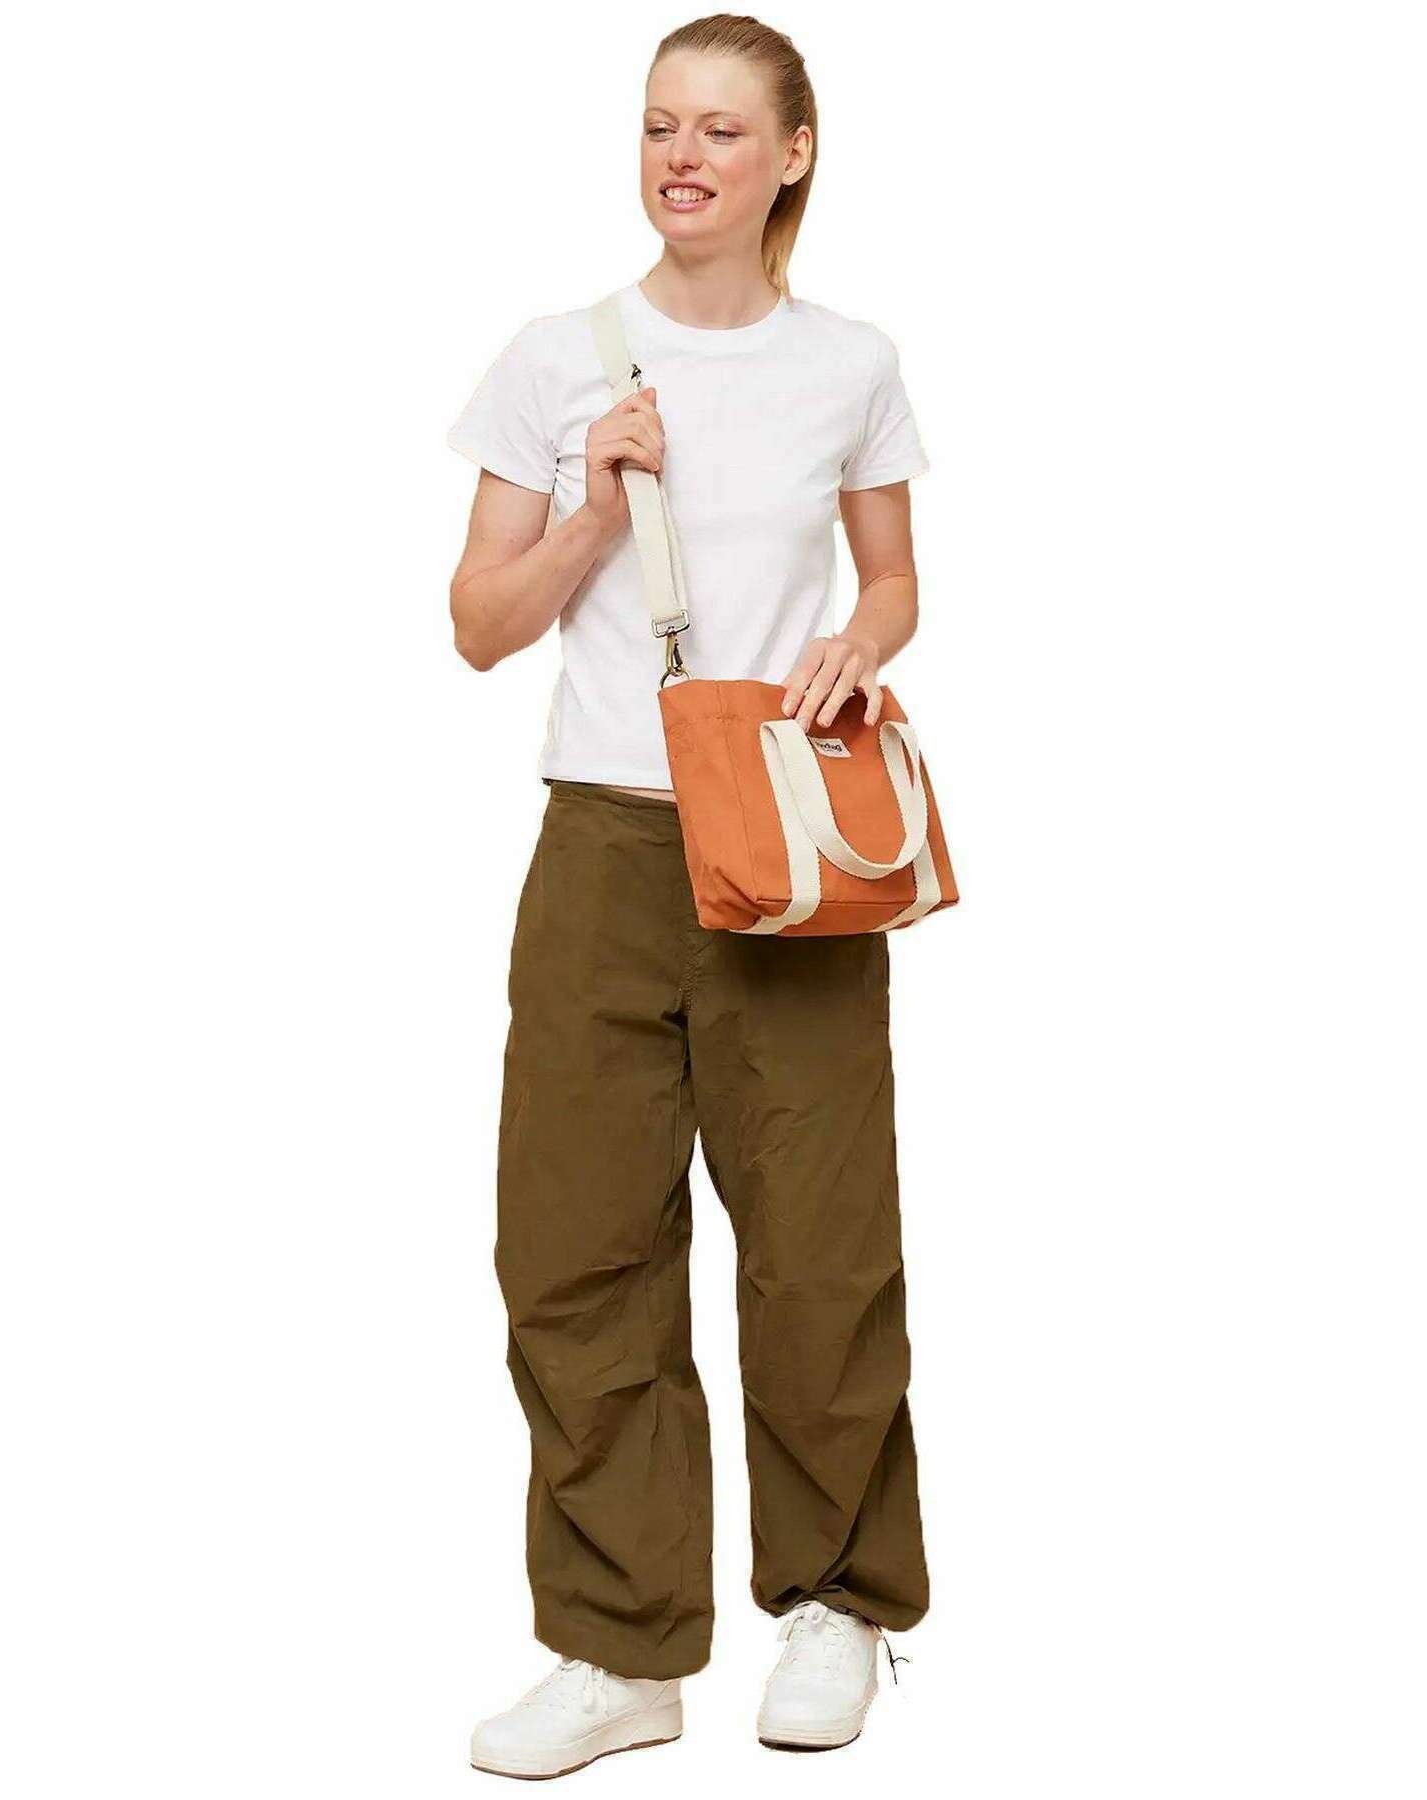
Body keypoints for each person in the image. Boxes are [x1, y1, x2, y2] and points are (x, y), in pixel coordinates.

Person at [446, 14, 932, 1780]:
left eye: (723, 130)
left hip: (786, 840)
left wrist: (858, 648)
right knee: (575, 1243)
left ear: (791, 155)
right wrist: (594, 503)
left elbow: (894, 581)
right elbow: (478, 624)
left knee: (820, 1241)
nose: (683, 157)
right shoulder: (555, 357)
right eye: (661, 125)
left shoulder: (850, 363)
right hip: (603, 840)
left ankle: (840, 1605)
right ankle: (618, 1646)